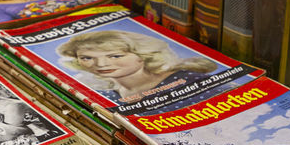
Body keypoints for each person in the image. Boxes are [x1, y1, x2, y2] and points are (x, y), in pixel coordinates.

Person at [57, 30, 218, 103]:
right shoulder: (108, 96)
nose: (101, 64)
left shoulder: (188, 79)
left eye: (115, 56)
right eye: (87, 58)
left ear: (143, 54)